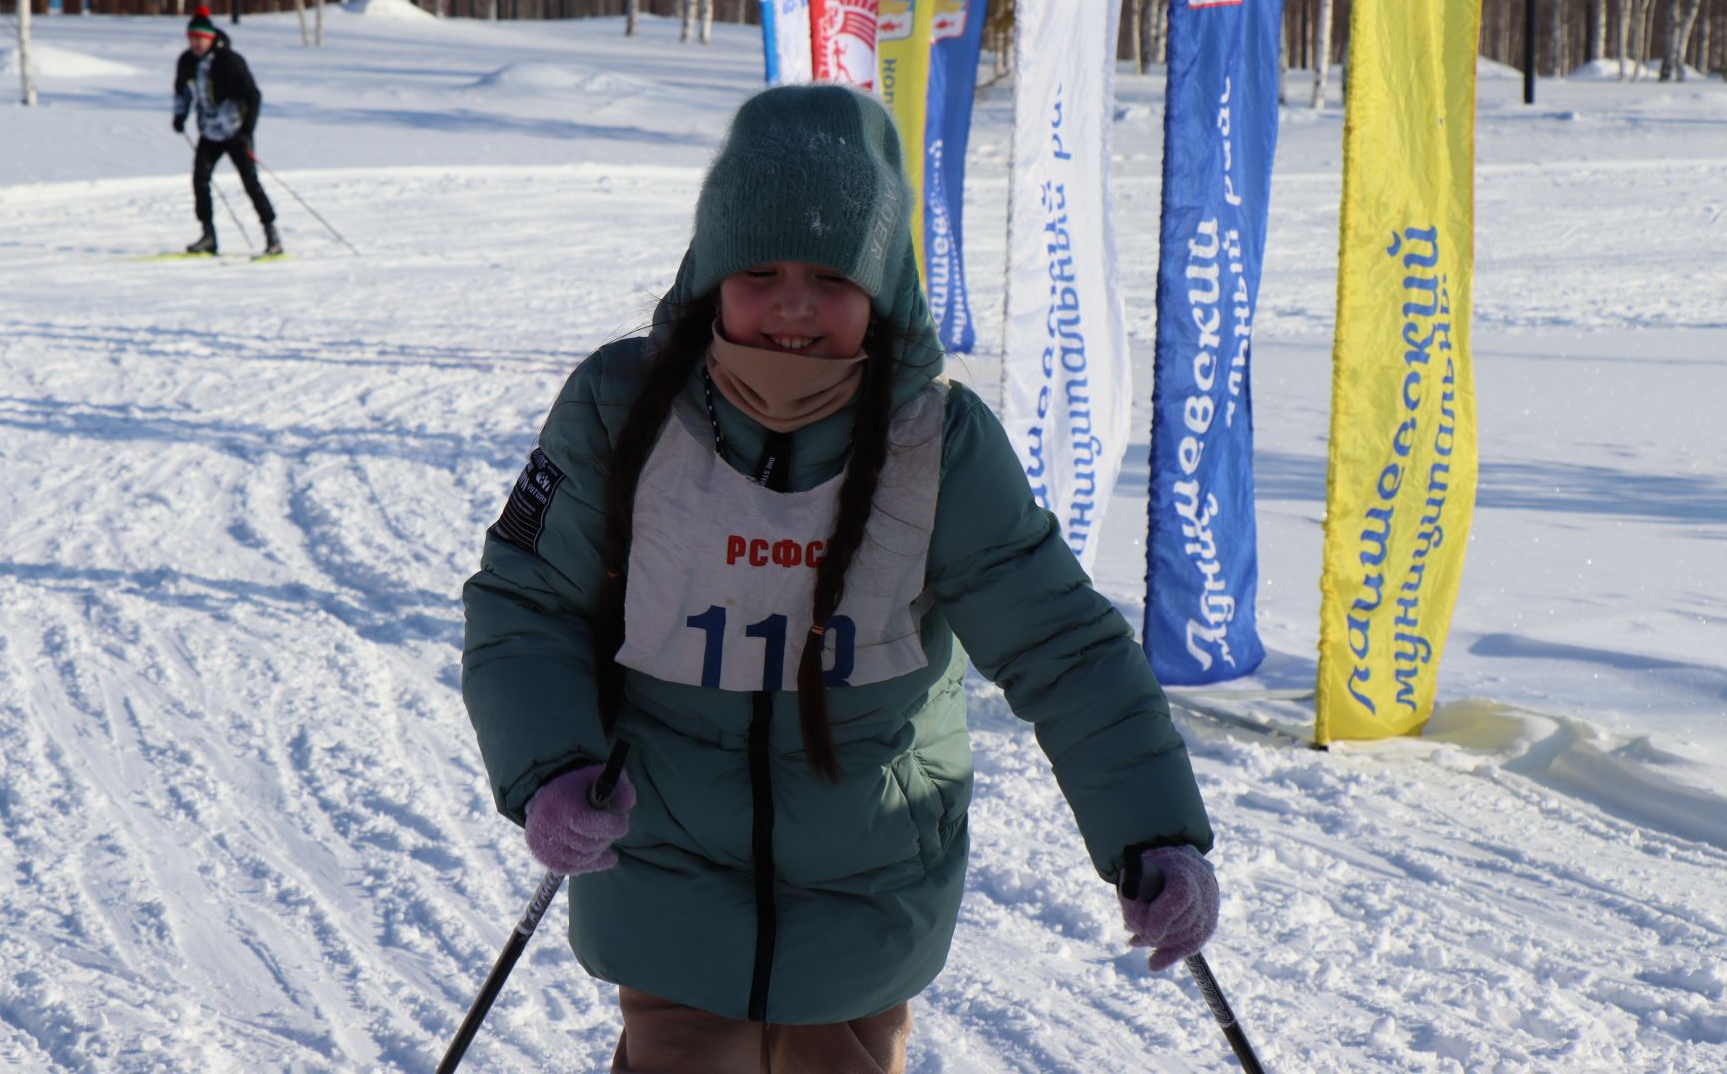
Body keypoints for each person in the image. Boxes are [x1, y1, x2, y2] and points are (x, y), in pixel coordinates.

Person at [461, 84, 1217, 1073]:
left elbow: (1063, 647)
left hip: (871, 882)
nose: (792, 304)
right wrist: (549, 763)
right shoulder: (620, 407)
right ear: (711, 271)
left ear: (883, 285)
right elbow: (529, 604)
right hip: (666, 876)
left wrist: (1152, 829)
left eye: (830, 274)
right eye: (760, 268)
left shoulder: (936, 443)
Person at [171, 7, 281, 256]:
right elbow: (182, 91)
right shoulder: (187, 61)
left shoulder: (230, 61)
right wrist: (180, 116)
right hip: (209, 132)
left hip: (235, 131)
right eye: (192, 38)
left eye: (200, 38)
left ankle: (272, 235)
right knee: (200, 179)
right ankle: (208, 235)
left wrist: (247, 130)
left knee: (250, 181)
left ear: (210, 37)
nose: (196, 43)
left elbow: (253, 96)